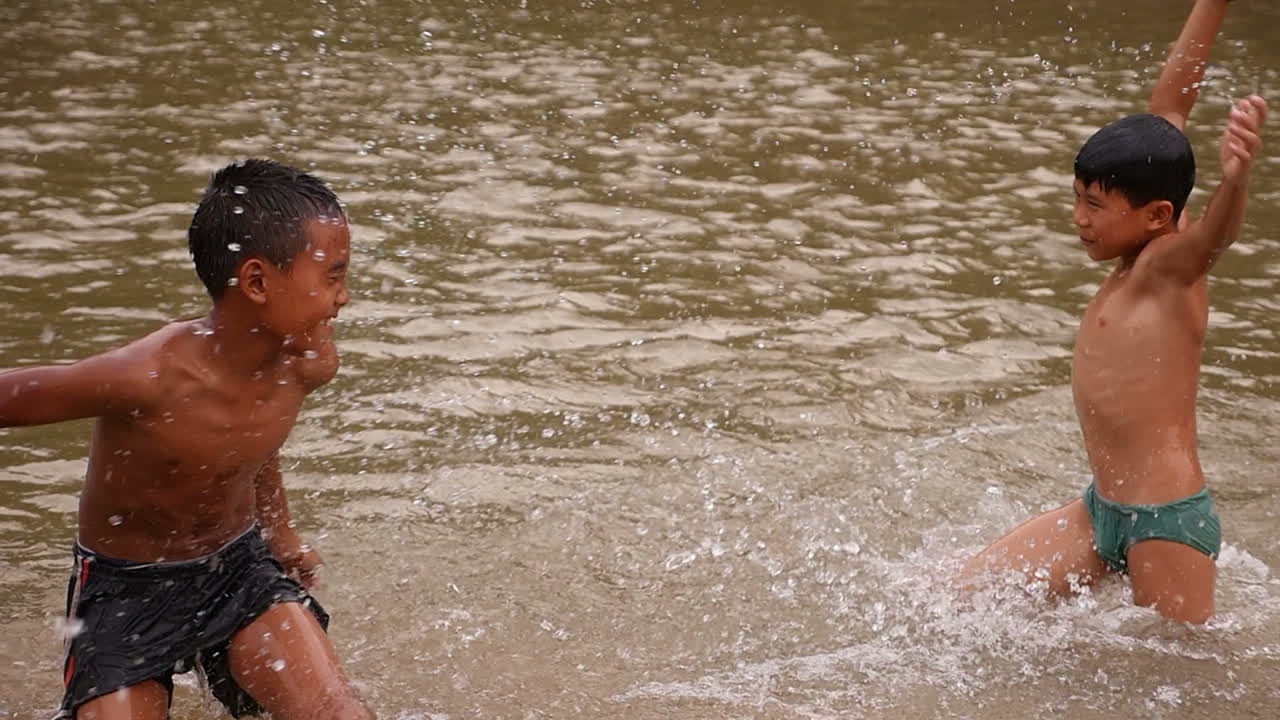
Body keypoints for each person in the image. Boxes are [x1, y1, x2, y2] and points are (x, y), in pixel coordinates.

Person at [0, 159, 372, 718]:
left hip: (238, 572)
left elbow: (252, 444)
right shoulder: (148, 376)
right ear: (255, 281)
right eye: (333, 276)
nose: (343, 297)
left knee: (338, 713)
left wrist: (282, 532)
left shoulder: (307, 363)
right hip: (125, 592)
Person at [960, 0, 1266, 624]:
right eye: (1076, 198)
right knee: (961, 602)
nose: (1079, 219)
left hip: (1165, 522)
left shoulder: (1166, 266)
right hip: (1101, 509)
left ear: (1156, 215)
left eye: (1095, 206)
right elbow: (1171, 102)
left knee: (1182, 676)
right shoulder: (1152, 220)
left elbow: (1215, 237)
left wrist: (1235, 182)